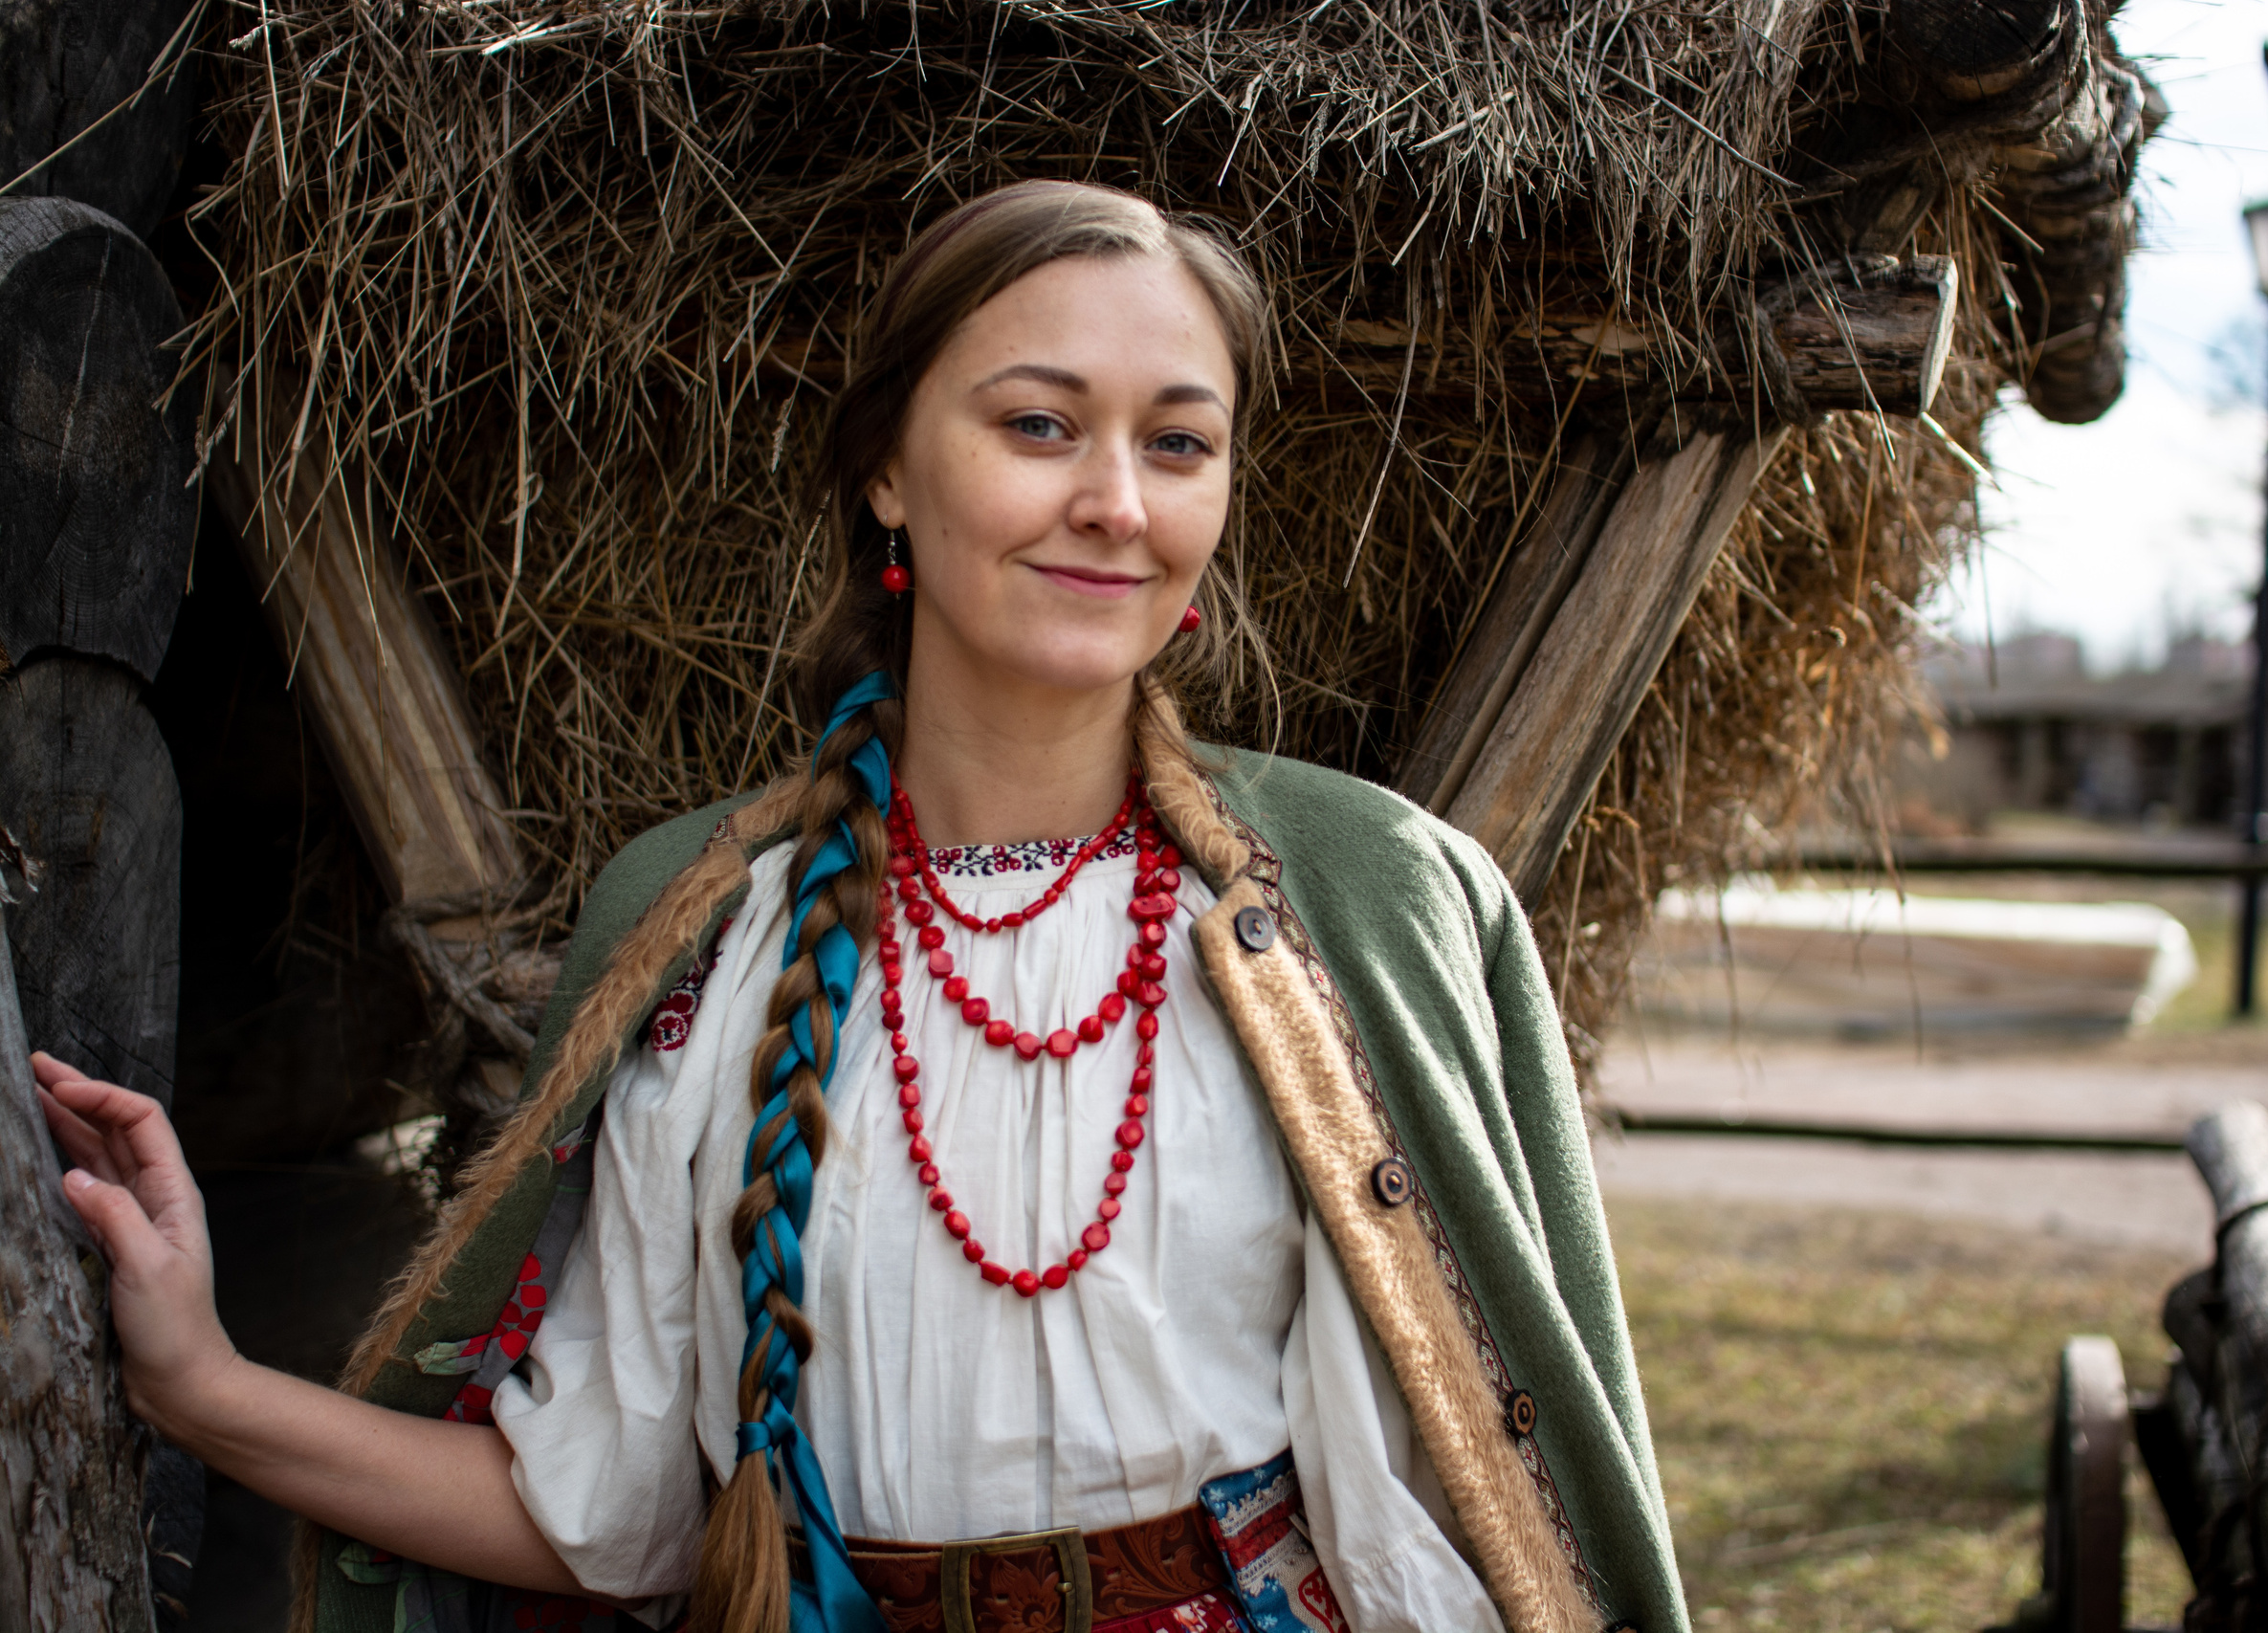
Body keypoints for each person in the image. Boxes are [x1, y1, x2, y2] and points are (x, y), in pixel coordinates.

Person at [35, 180, 1684, 1633]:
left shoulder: (1360, 901)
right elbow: (606, 1516)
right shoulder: (711, 932)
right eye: (1039, 426)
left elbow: (1474, 1526)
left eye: (1179, 443)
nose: (1119, 500)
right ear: (889, 469)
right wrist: (204, 1383)